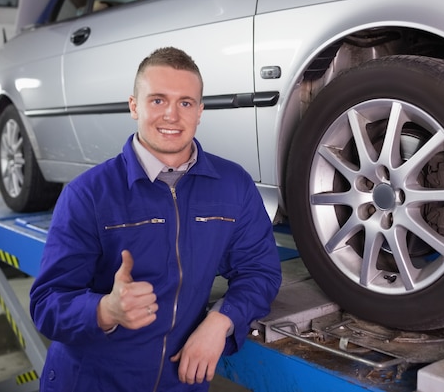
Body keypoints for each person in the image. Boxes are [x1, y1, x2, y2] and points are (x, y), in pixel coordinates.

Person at [29, 47, 282, 392]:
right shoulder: (88, 194)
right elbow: (46, 304)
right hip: (92, 382)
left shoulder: (233, 185)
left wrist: (222, 320)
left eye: (185, 103)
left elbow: (260, 271)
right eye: (158, 100)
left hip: (178, 383)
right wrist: (105, 309)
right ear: (134, 106)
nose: (172, 116)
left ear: (200, 111)